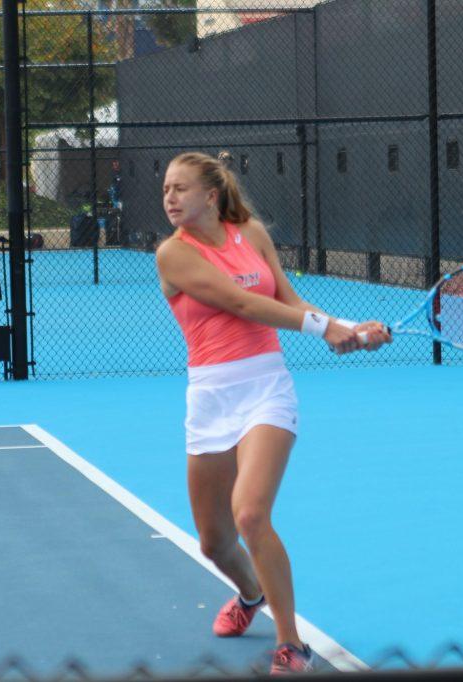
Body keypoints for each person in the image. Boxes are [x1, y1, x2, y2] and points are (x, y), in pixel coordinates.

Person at [154, 152, 391, 674]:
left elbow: (287, 298)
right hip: (210, 398)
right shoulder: (172, 255)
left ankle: (291, 642)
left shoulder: (252, 235)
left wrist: (350, 327)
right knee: (215, 542)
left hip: (266, 389)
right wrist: (323, 328)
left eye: (180, 188)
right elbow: (240, 305)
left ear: (210, 196)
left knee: (251, 513)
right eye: (166, 189)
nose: (169, 197)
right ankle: (250, 593)